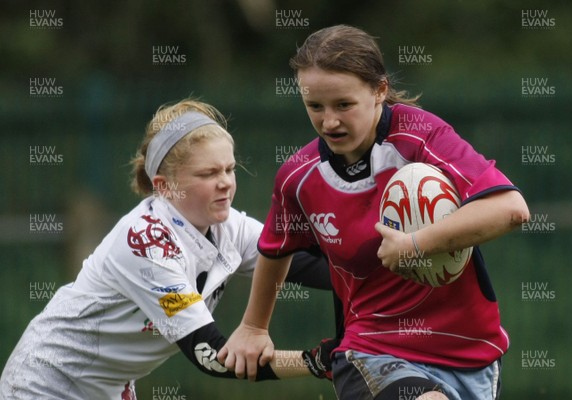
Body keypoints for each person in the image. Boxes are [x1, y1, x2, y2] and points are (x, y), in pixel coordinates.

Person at [218, 25, 530, 400]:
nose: (329, 121)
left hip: (470, 352)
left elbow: (511, 209)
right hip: (373, 351)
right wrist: (254, 326)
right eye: (315, 107)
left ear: (379, 90)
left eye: (343, 105)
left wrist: (415, 244)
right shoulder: (298, 177)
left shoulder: (420, 137)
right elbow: (276, 246)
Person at [0, 99, 337, 400]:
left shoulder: (228, 226)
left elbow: (312, 264)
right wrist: (318, 362)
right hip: (42, 384)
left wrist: (383, 270)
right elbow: (211, 356)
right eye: (208, 173)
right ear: (163, 186)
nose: (226, 182)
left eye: (229, 169)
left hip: (109, 388)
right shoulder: (147, 245)